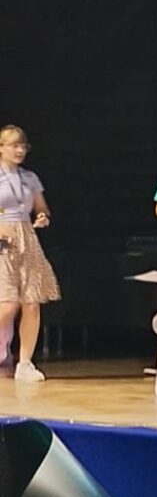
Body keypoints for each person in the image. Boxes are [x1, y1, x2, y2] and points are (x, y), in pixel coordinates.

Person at [0, 126, 61, 382]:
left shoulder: (30, 178)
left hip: (27, 238)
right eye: (14, 145)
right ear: (1, 148)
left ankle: (25, 363)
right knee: (8, 303)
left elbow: (41, 207)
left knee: (31, 301)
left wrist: (43, 217)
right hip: (2, 240)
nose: (20, 150)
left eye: (23, 146)